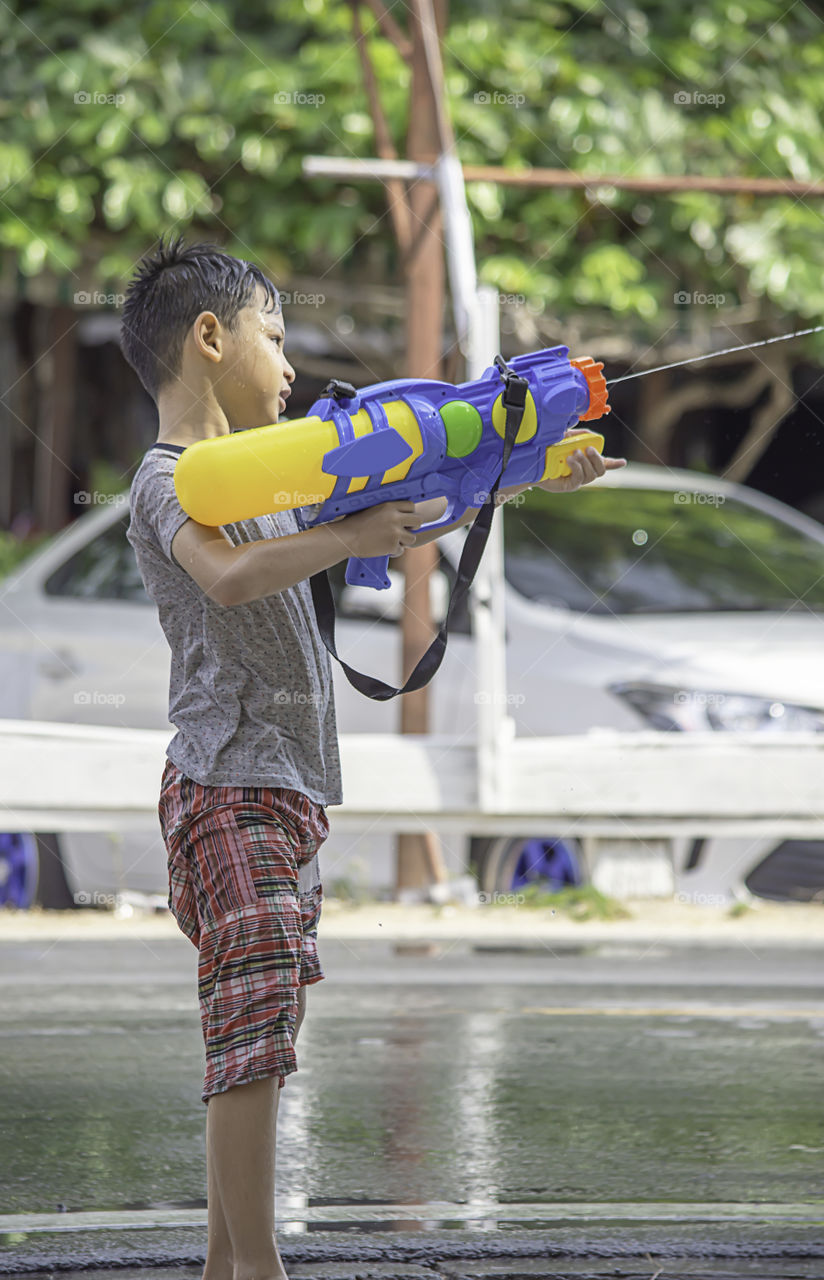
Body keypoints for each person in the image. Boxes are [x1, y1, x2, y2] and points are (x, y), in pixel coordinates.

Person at [122, 234, 626, 1280]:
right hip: (226, 779)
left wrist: (536, 464)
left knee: (259, 1028)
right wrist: (350, 539)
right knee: (252, 1027)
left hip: (286, 786)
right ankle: (257, 1268)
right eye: (273, 332)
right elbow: (225, 578)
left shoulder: (272, 475)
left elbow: (418, 489)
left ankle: (227, 1266)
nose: (292, 361)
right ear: (208, 338)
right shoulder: (169, 480)